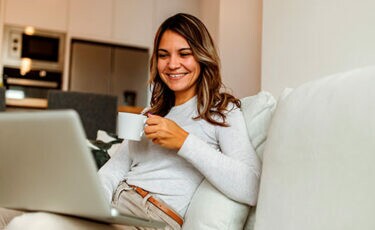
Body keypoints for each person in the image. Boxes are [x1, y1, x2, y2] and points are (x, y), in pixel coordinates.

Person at [0, 13, 261, 230]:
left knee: (32, 226)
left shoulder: (221, 111)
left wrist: (184, 141)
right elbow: (115, 168)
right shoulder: (152, 111)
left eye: (184, 53)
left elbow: (250, 185)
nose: (172, 64)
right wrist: (94, 207)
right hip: (117, 209)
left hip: (152, 218)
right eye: (163, 55)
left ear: (202, 57)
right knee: (4, 212)